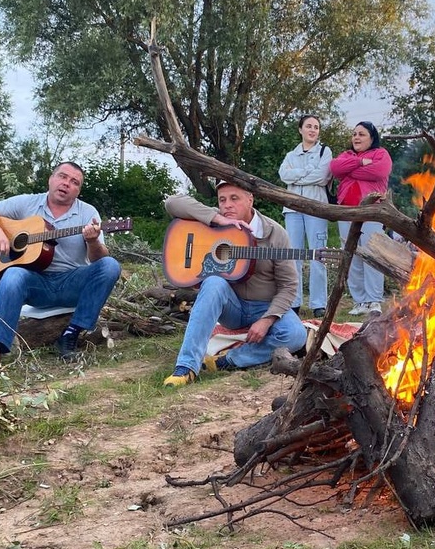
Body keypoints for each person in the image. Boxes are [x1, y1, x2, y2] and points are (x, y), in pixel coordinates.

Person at [0, 162, 121, 365]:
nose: (66, 183)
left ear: (78, 190)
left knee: (110, 265)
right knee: (14, 273)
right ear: (51, 178)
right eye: (62, 176)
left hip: (71, 283)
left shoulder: (88, 213)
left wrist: (93, 241)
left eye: (74, 182)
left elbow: (97, 259)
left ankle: (71, 333)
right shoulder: (27, 203)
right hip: (36, 283)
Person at [162, 180, 307, 387]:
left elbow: (289, 285)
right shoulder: (215, 219)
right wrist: (218, 219)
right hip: (231, 306)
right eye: (222, 200)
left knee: (295, 335)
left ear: (250, 199)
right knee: (213, 282)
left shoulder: (275, 233)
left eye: (234, 198)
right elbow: (172, 202)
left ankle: (227, 361)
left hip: (264, 306)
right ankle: (186, 367)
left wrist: (267, 319)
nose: (227, 205)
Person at [329, 121, 392, 315]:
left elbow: (379, 171)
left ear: (372, 138)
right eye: (354, 134)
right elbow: (335, 168)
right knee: (352, 254)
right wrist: (358, 162)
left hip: (372, 211)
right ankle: (359, 301)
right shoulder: (347, 155)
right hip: (346, 211)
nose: (356, 137)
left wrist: (351, 171)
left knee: (372, 255)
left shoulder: (380, 154)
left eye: (362, 134)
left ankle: (373, 301)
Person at [278, 114, 332, 318]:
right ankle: (294, 301)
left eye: (316, 127)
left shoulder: (325, 152)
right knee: (295, 255)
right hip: (292, 209)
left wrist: (298, 175)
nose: (312, 130)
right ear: (300, 129)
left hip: (316, 208)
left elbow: (322, 176)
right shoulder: (291, 155)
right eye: (308, 126)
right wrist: (308, 171)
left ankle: (319, 303)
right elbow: (283, 175)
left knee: (319, 254)